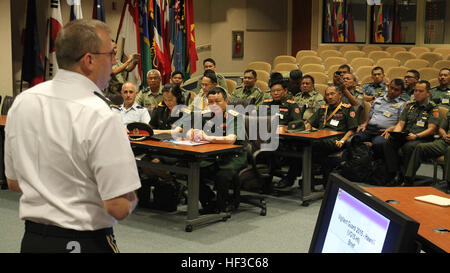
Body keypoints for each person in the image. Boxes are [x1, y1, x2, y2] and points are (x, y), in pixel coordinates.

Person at [4, 19, 141, 253]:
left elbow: (14, 182)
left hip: (33, 240)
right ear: (89, 60)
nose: (114, 63)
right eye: (110, 55)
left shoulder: (23, 102)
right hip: (83, 241)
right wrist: (132, 196)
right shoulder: (101, 114)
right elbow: (118, 206)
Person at [186, 87, 247, 213]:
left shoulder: (234, 116)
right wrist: (193, 133)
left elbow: (231, 139)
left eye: (217, 101)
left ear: (226, 101)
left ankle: (222, 206)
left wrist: (207, 137)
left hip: (233, 155)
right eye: (210, 102)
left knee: (222, 175)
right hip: (213, 154)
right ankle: (209, 201)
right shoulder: (205, 115)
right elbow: (189, 131)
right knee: (193, 171)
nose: (214, 105)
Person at [383, 80, 440, 185]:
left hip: (422, 138)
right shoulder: (410, 106)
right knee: (389, 142)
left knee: (408, 147)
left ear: (428, 93)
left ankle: (407, 178)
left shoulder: (433, 108)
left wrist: (416, 136)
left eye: (420, 91)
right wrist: (396, 134)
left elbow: (431, 129)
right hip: (407, 135)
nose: (417, 93)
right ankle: (394, 174)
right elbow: (401, 124)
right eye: (415, 91)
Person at [305, 85, 359, 185]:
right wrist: (308, 127)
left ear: (339, 94)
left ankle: (310, 179)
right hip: (319, 137)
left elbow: (352, 129)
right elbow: (309, 123)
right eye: (327, 95)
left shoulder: (347, 109)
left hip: (335, 139)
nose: (329, 97)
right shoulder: (322, 109)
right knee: (306, 144)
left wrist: (343, 140)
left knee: (311, 146)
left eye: (332, 94)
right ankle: (310, 180)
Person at [356, 79, 408, 158]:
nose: (392, 91)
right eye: (391, 88)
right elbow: (370, 115)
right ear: (388, 87)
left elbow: (401, 122)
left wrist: (393, 128)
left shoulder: (402, 104)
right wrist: (364, 124)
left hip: (384, 131)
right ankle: (360, 161)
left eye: (396, 90)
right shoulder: (378, 99)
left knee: (378, 143)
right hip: (369, 129)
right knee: (354, 138)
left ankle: (377, 164)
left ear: (401, 92)